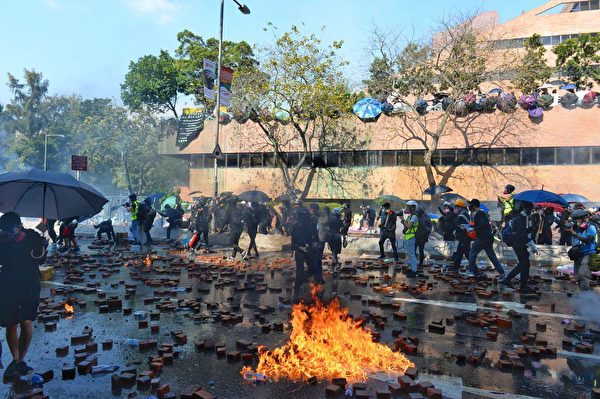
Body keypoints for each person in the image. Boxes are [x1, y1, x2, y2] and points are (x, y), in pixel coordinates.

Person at [0, 212, 47, 381]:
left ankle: (20, 360)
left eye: (9, 231)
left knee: (26, 321)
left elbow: (40, 261)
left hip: (29, 284)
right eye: (3, 231)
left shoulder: (33, 237)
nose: (7, 234)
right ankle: (15, 359)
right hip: (7, 285)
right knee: (10, 323)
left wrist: (43, 247)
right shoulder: (2, 240)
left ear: (19, 226)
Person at [499, 200, 538, 293]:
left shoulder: (524, 218)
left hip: (520, 243)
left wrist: (531, 229)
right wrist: (532, 246)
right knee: (525, 264)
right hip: (518, 244)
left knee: (523, 264)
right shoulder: (519, 219)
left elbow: (525, 231)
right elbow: (522, 235)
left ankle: (507, 279)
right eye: (529, 208)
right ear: (525, 208)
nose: (531, 210)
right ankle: (523, 286)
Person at [466, 199, 505, 279]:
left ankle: (471, 271)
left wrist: (473, 229)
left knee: (472, 253)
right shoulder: (483, 212)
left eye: (471, 205)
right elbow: (483, 224)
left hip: (482, 238)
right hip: (488, 237)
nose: (469, 206)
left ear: (474, 206)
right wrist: (473, 227)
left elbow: (483, 224)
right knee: (492, 256)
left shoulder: (479, 214)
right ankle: (502, 273)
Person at [290, 207, 317, 301]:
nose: (304, 220)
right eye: (302, 218)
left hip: (309, 250)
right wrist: (300, 247)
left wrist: (312, 244)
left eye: (306, 218)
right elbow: (293, 243)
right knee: (299, 271)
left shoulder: (311, 225)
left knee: (313, 269)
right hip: (299, 250)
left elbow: (315, 237)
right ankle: (296, 292)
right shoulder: (295, 227)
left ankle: (301, 280)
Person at [566, 209, 596, 291]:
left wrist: (574, 234)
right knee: (578, 276)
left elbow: (587, 240)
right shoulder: (578, 229)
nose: (577, 221)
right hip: (578, 254)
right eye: (575, 219)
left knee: (583, 275)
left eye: (578, 219)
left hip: (588, 253)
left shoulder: (591, 228)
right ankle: (582, 295)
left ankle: (585, 296)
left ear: (584, 218)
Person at [400, 200, 419, 276]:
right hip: (408, 238)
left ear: (412, 208)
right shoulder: (410, 217)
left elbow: (409, 226)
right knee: (410, 254)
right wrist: (403, 221)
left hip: (411, 238)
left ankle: (414, 271)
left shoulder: (414, 217)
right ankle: (412, 269)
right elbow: (406, 227)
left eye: (408, 207)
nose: (406, 208)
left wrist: (403, 220)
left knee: (412, 255)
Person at [452, 199, 471, 271]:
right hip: (464, 238)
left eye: (456, 207)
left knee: (467, 254)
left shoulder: (461, 216)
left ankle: (474, 269)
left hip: (464, 238)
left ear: (460, 207)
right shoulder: (465, 214)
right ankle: (456, 268)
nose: (455, 209)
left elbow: (458, 226)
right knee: (459, 253)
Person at [308, 203, 325, 284]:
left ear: (312, 209)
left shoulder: (312, 219)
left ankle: (318, 278)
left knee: (314, 261)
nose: (308, 210)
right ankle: (319, 277)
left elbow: (311, 231)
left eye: (309, 209)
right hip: (321, 242)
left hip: (315, 242)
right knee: (319, 260)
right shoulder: (321, 217)